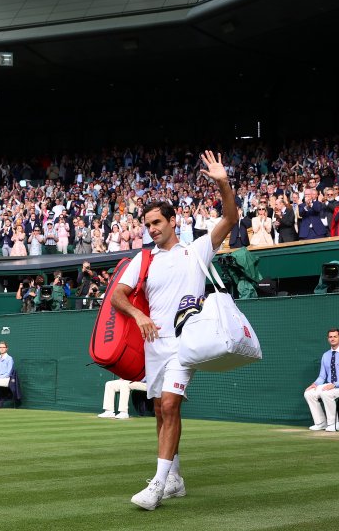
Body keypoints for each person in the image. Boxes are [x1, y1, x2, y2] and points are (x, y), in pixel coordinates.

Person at [112, 150, 237, 511]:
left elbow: (231, 218)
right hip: (154, 345)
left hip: (186, 343)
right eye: (147, 225)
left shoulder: (197, 251)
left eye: (157, 222)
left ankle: (156, 485)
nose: (152, 229)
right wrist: (138, 314)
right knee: (159, 409)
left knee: (170, 405)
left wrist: (222, 183)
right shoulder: (143, 258)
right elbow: (118, 295)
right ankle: (175, 478)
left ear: (172, 220)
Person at [303, 328, 339, 432]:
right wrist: (315, 384)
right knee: (308, 393)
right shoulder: (325, 355)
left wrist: (334, 384)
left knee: (326, 393)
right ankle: (321, 423)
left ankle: (334, 424)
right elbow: (322, 376)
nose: (332, 339)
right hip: (330, 386)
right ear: (328, 339)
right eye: (330, 337)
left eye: (335, 336)